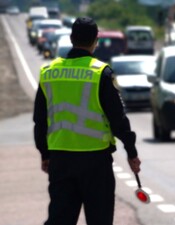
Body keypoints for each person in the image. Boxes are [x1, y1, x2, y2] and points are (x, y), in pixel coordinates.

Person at [33, 17, 141, 225]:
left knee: (60, 220)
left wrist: (45, 154)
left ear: (72, 38)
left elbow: (40, 120)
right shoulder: (100, 73)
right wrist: (131, 151)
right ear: (96, 40)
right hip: (95, 163)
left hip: (60, 160)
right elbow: (118, 119)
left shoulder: (49, 73)